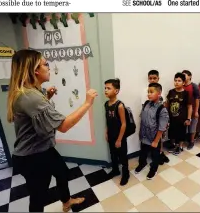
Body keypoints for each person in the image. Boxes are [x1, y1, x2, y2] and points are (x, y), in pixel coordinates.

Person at [7, 49, 98, 212]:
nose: (49, 67)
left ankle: (66, 201)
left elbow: (36, 117)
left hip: (43, 149)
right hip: (31, 157)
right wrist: (87, 103)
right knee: (38, 196)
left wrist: (47, 97)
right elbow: (63, 126)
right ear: (35, 70)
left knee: (62, 172)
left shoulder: (32, 93)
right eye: (45, 64)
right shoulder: (30, 97)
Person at [136, 82, 169, 180]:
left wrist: (156, 141)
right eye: (148, 92)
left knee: (155, 155)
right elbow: (143, 119)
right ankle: (142, 163)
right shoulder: (146, 104)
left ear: (159, 93)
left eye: (151, 92)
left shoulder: (162, 109)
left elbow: (162, 128)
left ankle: (153, 169)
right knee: (143, 152)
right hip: (144, 136)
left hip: (154, 138)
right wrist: (140, 132)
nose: (149, 94)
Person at [104, 79, 129, 186]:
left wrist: (119, 139)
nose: (105, 90)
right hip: (111, 135)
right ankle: (115, 170)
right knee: (113, 154)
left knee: (122, 156)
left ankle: (126, 174)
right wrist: (106, 131)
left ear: (116, 91)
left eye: (108, 88)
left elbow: (124, 124)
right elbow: (107, 119)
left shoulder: (119, 106)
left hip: (120, 136)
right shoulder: (106, 104)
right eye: (105, 88)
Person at [165, 73, 192, 154]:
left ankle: (180, 146)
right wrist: (166, 116)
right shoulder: (171, 92)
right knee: (172, 132)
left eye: (179, 81)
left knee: (181, 133)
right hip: (172, 117)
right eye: (175, 80)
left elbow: (189, 106)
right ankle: (173, 145)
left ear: (183, 82)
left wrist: (188, 118)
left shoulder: (186, 93)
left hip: (182, 118)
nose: (176, 82)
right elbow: (167, 104)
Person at [182, 69, 200, 149]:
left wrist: (196, 111)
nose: (183, 77)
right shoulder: (181, 85)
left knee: (192, 127)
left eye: (185, 75)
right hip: (183, 111)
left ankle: (192, 142)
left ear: (190, 76)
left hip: (192, 110)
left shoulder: (194, 86)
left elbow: (197, 99)